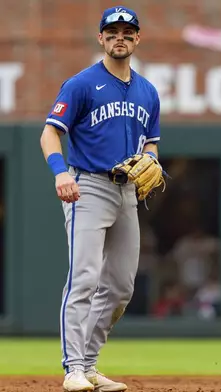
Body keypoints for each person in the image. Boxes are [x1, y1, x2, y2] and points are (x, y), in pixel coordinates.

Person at [39, 6, 162, 392]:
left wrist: (152, 161)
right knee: (84, 278)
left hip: (127, 191)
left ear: (137, 38)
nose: (119, 37)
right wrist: (60, 172)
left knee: (121, 286)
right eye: (112, 32)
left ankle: (90, 365)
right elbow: (49, 133)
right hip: (87, 186)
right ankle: (73, 368)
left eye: (127, 31)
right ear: (101, 39)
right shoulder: (81, 84)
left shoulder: (148, 92)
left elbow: (152, 145)